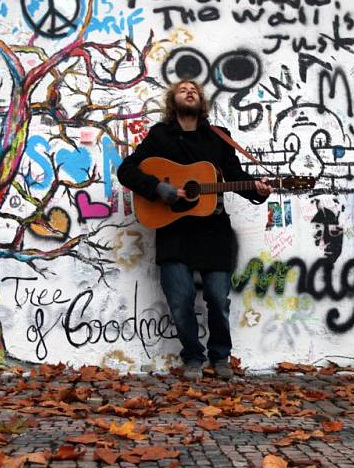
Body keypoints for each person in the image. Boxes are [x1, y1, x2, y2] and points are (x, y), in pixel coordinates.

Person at [117, 80, 272, 380]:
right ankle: (192, 358)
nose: (190, 91)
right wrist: (159, 189)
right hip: (174, 234)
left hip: (213, 232)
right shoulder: (160, 136)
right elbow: (127, 170)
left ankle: (220, 356)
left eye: (195, 89)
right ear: (172, 101)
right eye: (182, 89)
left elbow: (236, 176)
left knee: (218, 299)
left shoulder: (219, 137)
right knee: (180, 300)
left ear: (201, 101)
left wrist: (258, 189)